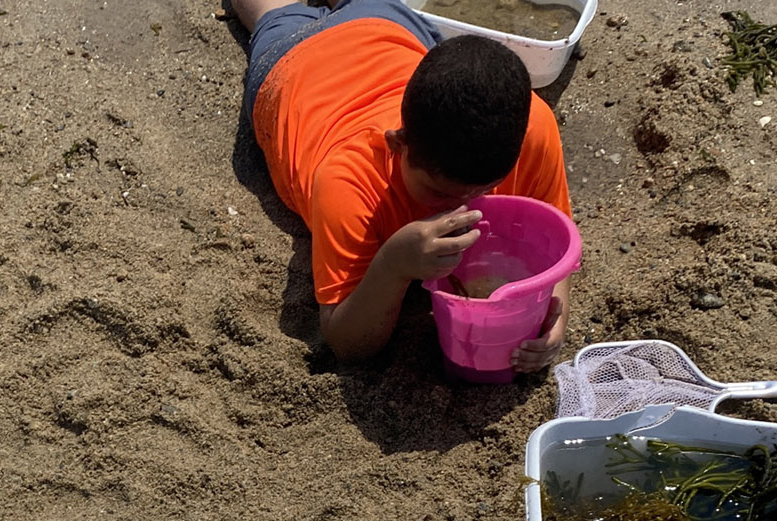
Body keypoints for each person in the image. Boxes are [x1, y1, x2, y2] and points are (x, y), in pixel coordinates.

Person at [234, 0, 573, 366]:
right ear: (397, 144)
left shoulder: (533, 126)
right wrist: (392, 265)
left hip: (386, 28)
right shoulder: (348, 180)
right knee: (270, 11)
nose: (463, 207)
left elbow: (556, 244)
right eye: (438, 193)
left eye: (485, 190)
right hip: (294, 64)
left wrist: (556, 319)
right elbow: (346, 343)